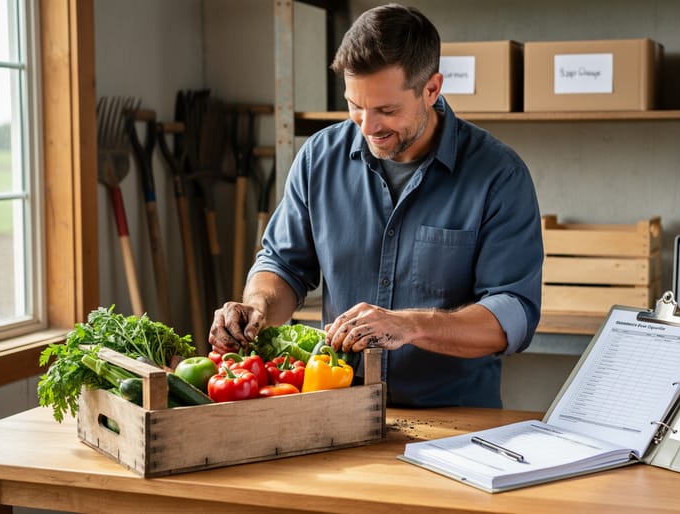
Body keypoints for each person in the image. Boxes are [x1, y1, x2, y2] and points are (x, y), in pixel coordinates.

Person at [209, 3, 542, 408]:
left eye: (386, 110)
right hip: (337, 410)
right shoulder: (319, 158)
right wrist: (257, 307)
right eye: (355, 106)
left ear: (432, 89)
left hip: (454, 422)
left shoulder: (498, 175)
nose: (367, 127)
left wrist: (410, 325)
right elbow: (283, 265)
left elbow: (513, 315)